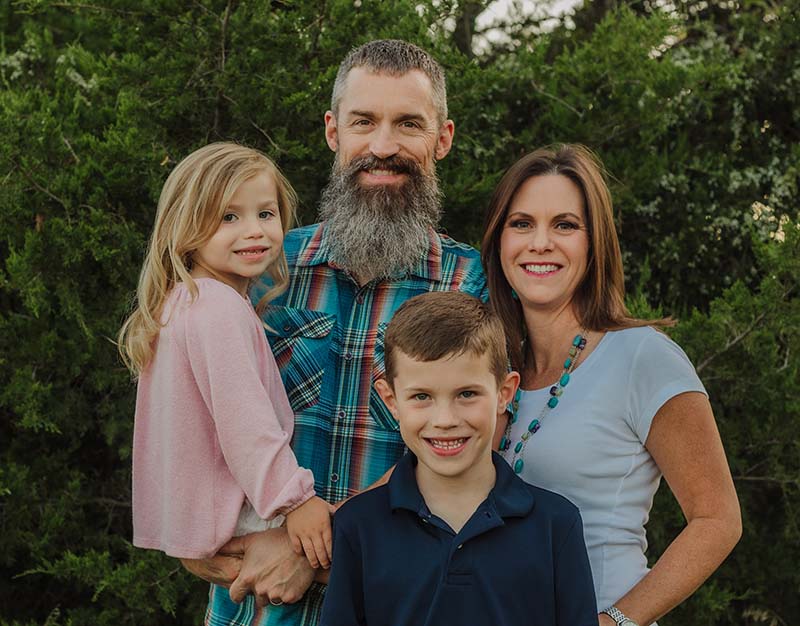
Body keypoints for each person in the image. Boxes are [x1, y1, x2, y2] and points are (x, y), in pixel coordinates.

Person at [185, 40, 488, 625]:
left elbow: (470, 464)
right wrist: (197, 541)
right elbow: (201, 429)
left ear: (442, 139)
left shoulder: (469, 284)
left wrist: (319, 555)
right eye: (364, 122)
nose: (382, 147)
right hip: (254, 608)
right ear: (333, 131)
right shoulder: (262, 271)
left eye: (408, 125)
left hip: (398, 606)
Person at [481, 144, 742, 626]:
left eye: (565, 225)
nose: (540, 243)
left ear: (594, 242)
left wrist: (616, 621)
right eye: (521, 223)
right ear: (499, 241)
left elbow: (717, 520)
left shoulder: (643, 356)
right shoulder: (493, 369)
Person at [319, 291, 599, 626]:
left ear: (504, 393)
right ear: (391, 400)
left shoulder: (556, 523)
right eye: (422, 396)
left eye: (466, 394)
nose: (445, 419)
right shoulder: (358, 525)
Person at [118, 143, 333, 571]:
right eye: (229, 217)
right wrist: (296, 500)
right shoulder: (217, 307)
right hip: (249, 514)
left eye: (265, 214)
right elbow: (245, 423)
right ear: (187, 228)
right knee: (367, 561)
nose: (254, 230)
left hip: (207, 522)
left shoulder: (180, 302)